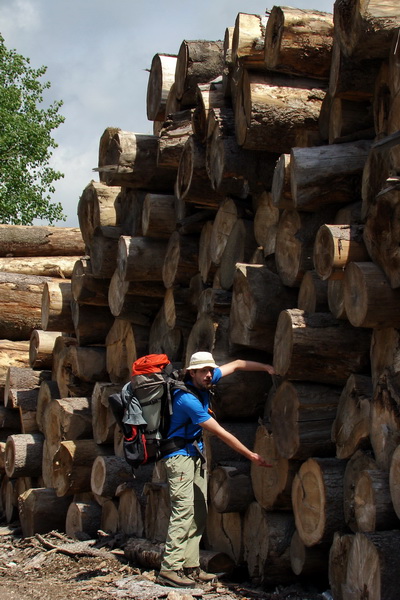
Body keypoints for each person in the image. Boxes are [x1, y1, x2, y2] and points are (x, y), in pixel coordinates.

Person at [157, 351, 275, 589]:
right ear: (192, 373)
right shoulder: (185, 399)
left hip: (195, 455)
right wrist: (251, 455)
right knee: (183, 511)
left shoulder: (207, 379)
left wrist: (265, 367)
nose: (209, 375)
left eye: (211, 370)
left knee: (199, 511)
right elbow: (222, 433)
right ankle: (169, 569)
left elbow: (239, 364)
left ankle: (190, 566)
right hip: (178, 457)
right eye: (204, 371)